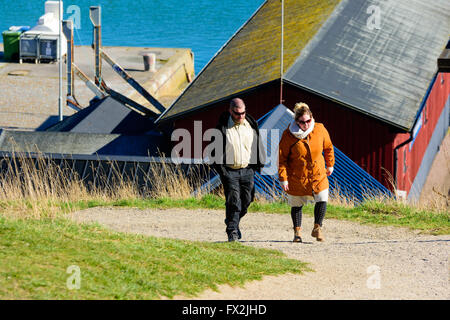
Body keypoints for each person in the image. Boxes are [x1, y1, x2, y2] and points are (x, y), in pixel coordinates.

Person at [278, 102, 334, 242]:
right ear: (296, 121)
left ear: (311, 118)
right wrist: (283, 178)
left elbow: (328, 147)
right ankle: (297, 233)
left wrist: (330, 164)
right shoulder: (288, 135)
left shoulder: (320, 129)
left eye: (308, 121)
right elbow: (281, 158)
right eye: (302, 122)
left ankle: (317, 228)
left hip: (318, 173)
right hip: (297, 176)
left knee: (322, 197)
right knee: (296, 203)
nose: (306, 124)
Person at [214, 98, 265, 242]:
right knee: (234, 201)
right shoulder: (222, 127)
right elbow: (213, 153)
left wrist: (258, 163)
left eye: (243, 113)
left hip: (248, 170)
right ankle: (232, 232)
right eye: (237, 114)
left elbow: (257, 145)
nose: (241, 116)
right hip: (230, 171)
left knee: (247, 201)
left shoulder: (251, 125)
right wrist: (222, 171)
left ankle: (232, 221)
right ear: (230, 111)